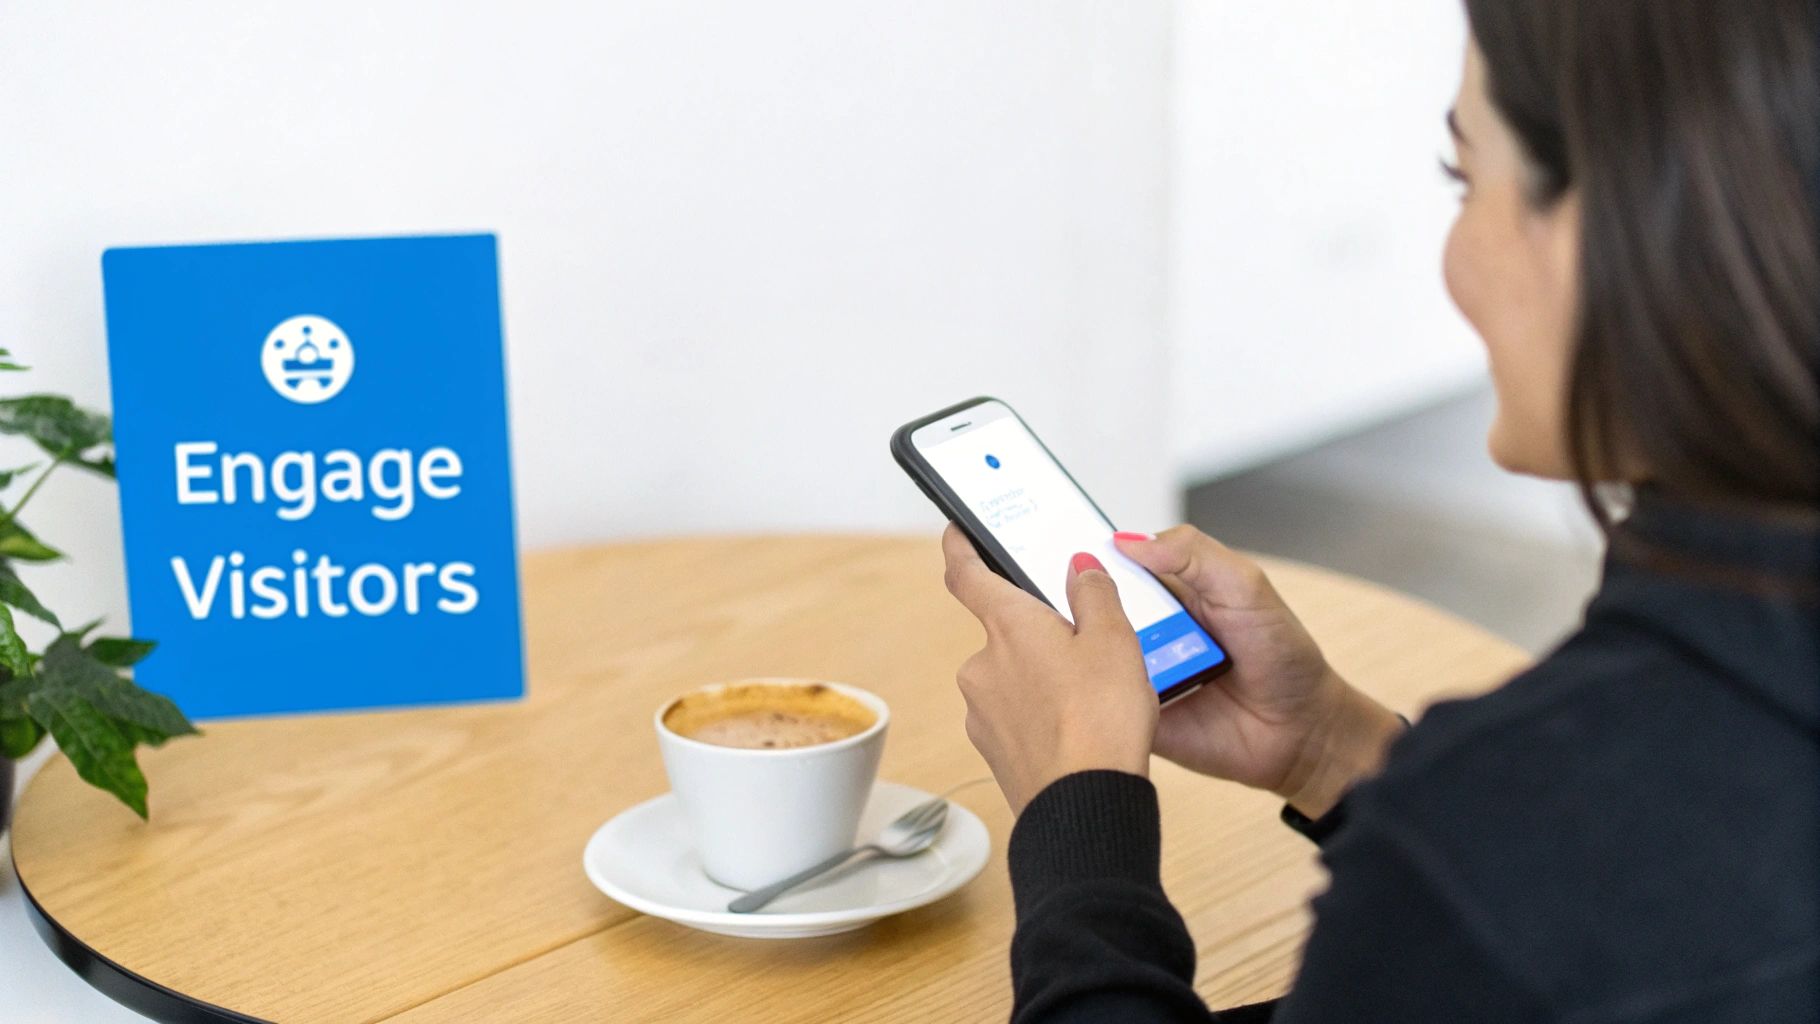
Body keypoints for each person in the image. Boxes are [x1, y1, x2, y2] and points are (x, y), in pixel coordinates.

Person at [937, 2, 1819, 1021]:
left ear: (1620, 225)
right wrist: (1331, 749)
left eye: (1464, 179)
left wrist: (1076, 812)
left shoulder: (1517, 830)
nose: (1451, 257)